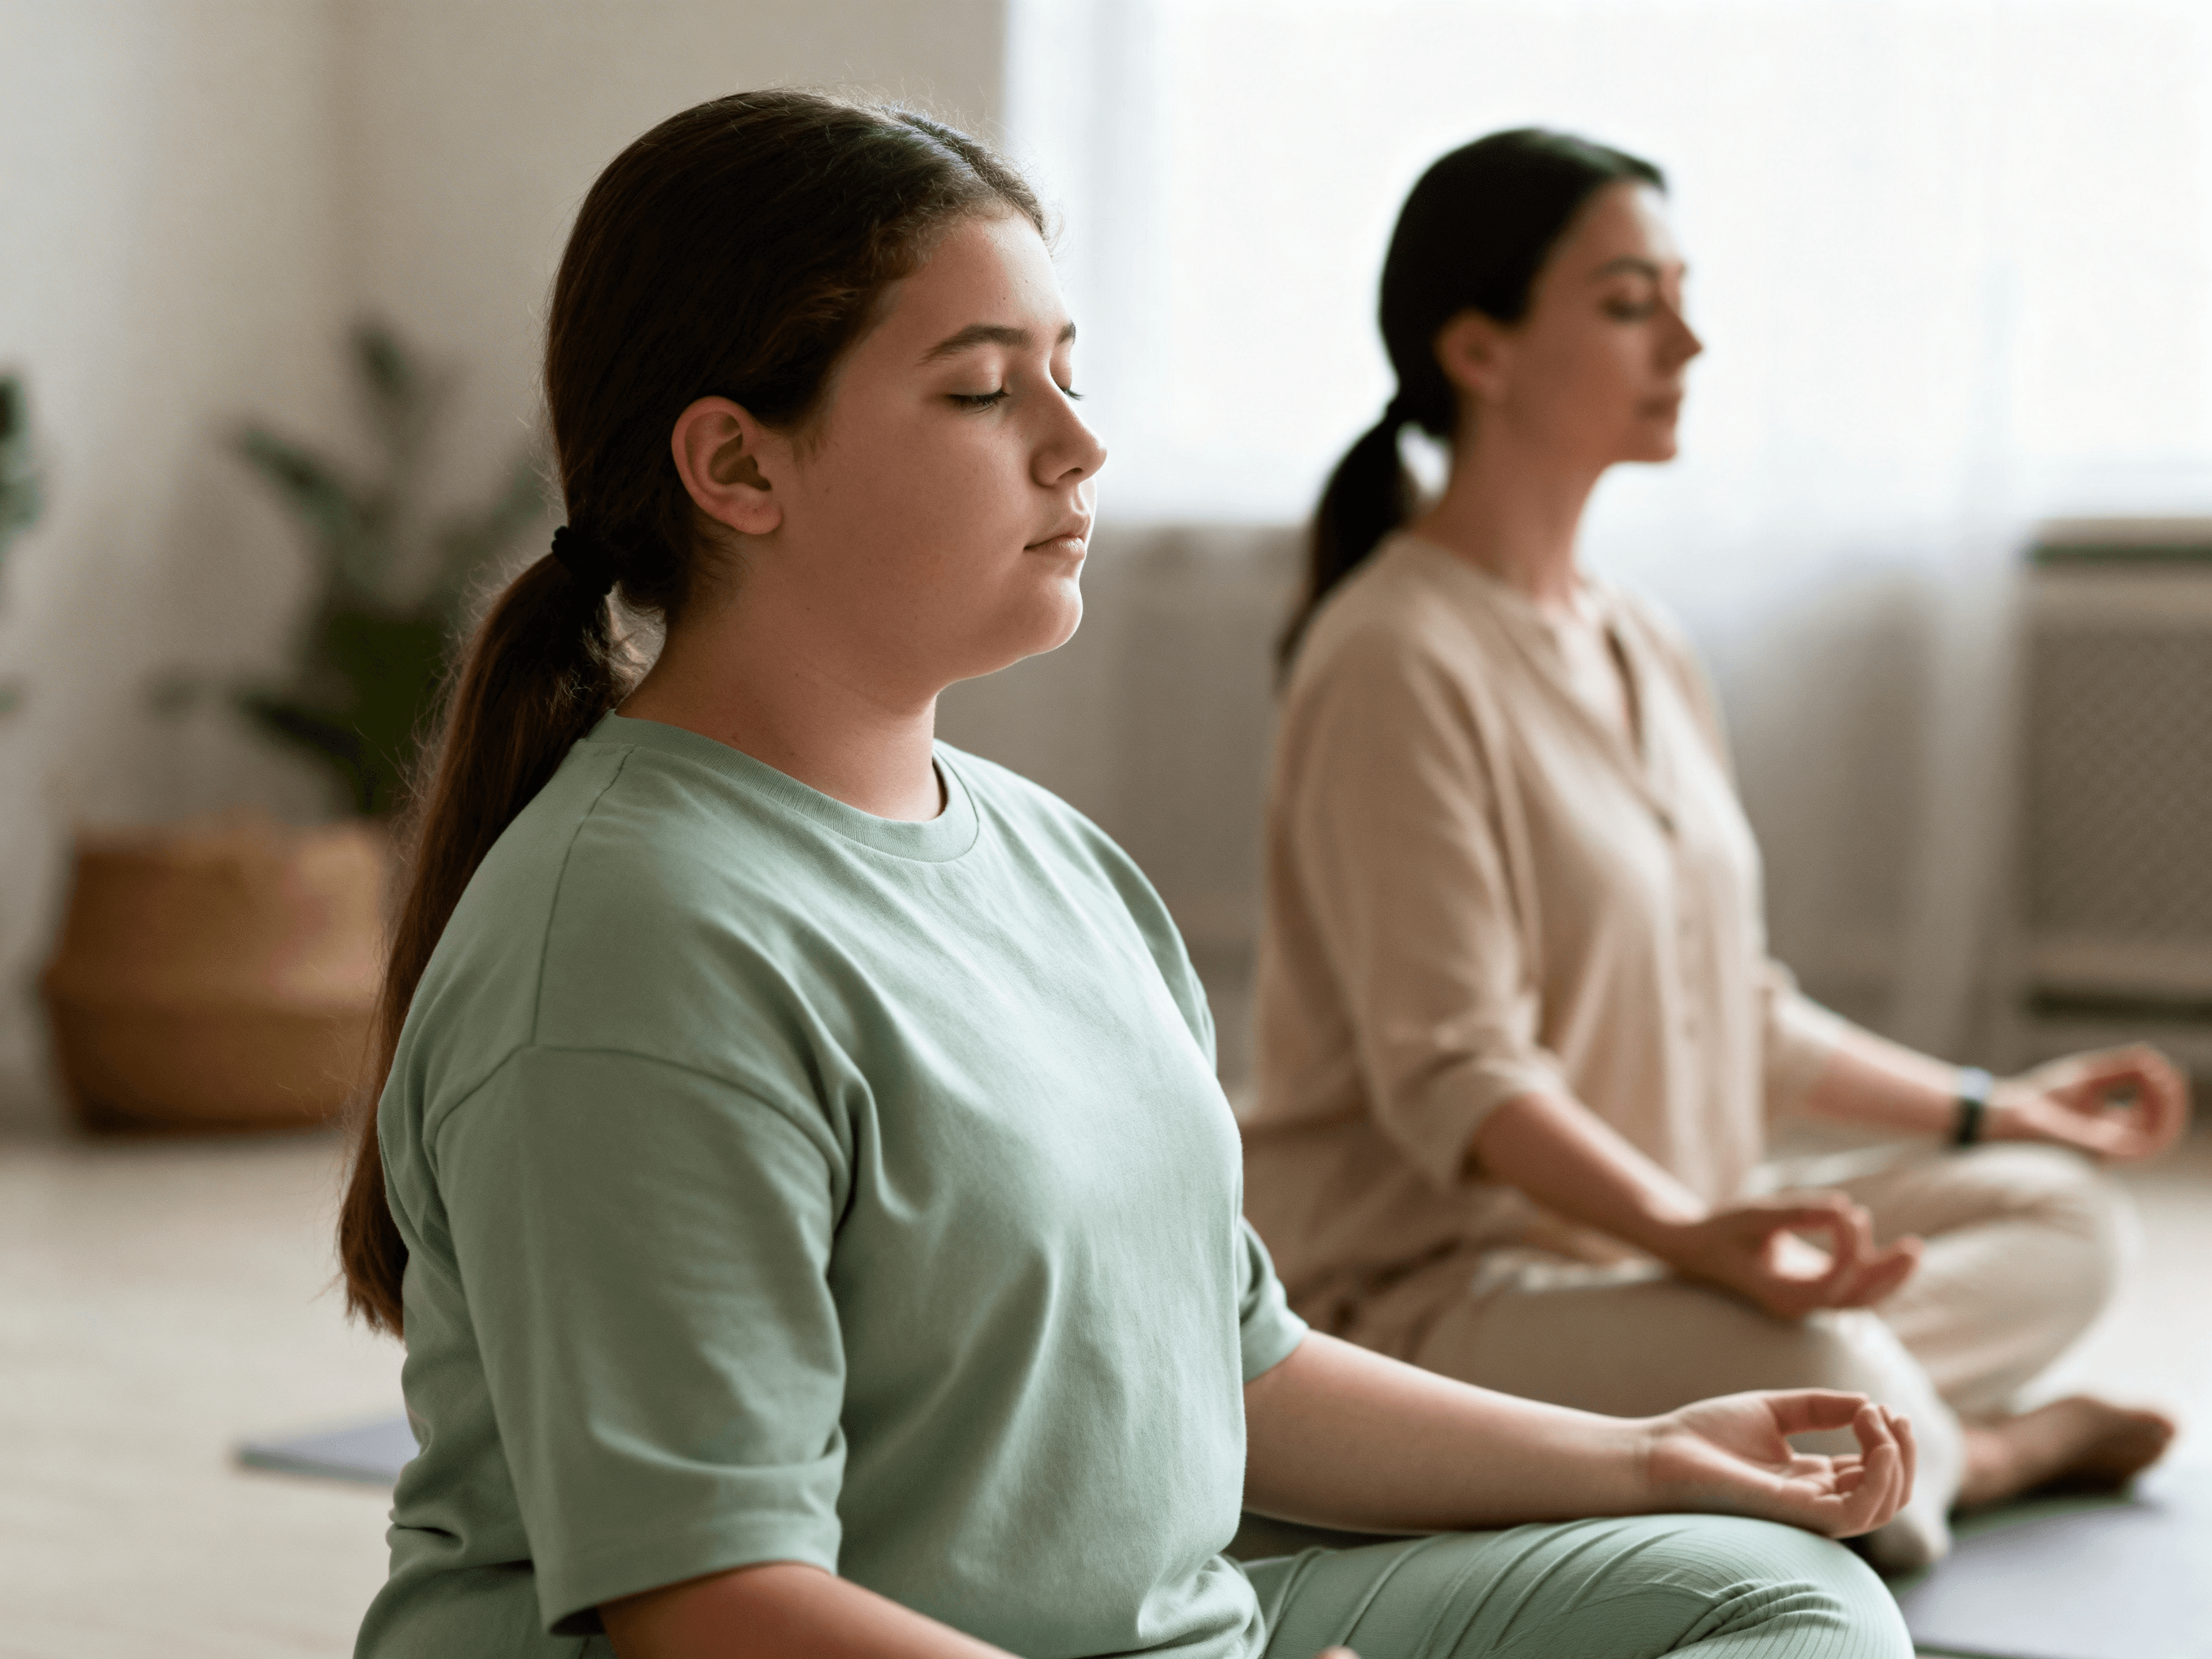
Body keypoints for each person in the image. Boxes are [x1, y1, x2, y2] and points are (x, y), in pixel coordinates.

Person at [338, 94, 1918, 1659]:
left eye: (1069, 374)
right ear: (738, 465)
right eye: (983, 391)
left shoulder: (1057, 861)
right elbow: (713, 1607)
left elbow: (1237, 1367)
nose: (1080, 443)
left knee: (1785, 1596)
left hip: (1163, 1631)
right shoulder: (632, 945)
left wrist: (1647, 1457)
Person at [1241, 127, 2190, 1577]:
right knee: (1827, 1363)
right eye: (1632, 304)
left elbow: (1734, 1005)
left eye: (1682, 298)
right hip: (1445, 1293)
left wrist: (1995, 1111)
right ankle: (1978, 1449)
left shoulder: (1642, 639)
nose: (1688, 342)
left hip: (1662, 1244)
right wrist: (1691, 1233)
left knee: (2066, 1221)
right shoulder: (1393, 657)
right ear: (1480, 351)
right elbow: (1458, 1076)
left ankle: (1854, 1416)